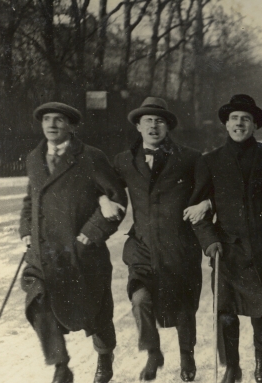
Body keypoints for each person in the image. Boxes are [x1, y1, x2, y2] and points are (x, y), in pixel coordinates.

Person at [188, 94, 262, 383]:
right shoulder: (209, 160)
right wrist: (210, 242)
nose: (240, 123)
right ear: (225, 123)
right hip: (228, 249)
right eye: (234, 118)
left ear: (254, 125)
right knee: (225, 312)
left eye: (246, 119)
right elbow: (197, 212)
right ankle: (232, 366)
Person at [19, 102, 127, 383]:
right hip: (44, 253)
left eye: (59, 119)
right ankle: (60, 365)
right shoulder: (34, 157)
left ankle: (104, 356)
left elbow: (117, 200)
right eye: (46, 119)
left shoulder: (91, 157)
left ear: (72, 126)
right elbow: (31, 199)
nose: (52, 124)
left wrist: (91, 233)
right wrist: (26, 230)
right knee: (38, 302)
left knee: (96, 310)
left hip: (82, 251)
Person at [100, 97, 203, 381]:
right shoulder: (124, 160)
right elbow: (103, 185)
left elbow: (210, 190)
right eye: (148, 121)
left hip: (180, 245)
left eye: (160, 121)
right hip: (142, 246)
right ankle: (152, 352)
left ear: (168, 127)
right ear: (138, 125)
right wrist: (102, 198)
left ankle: (187, 357)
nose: (154, 126)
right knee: (140, 299)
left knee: (183, 307)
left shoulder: (191, 158)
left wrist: (206, 205)